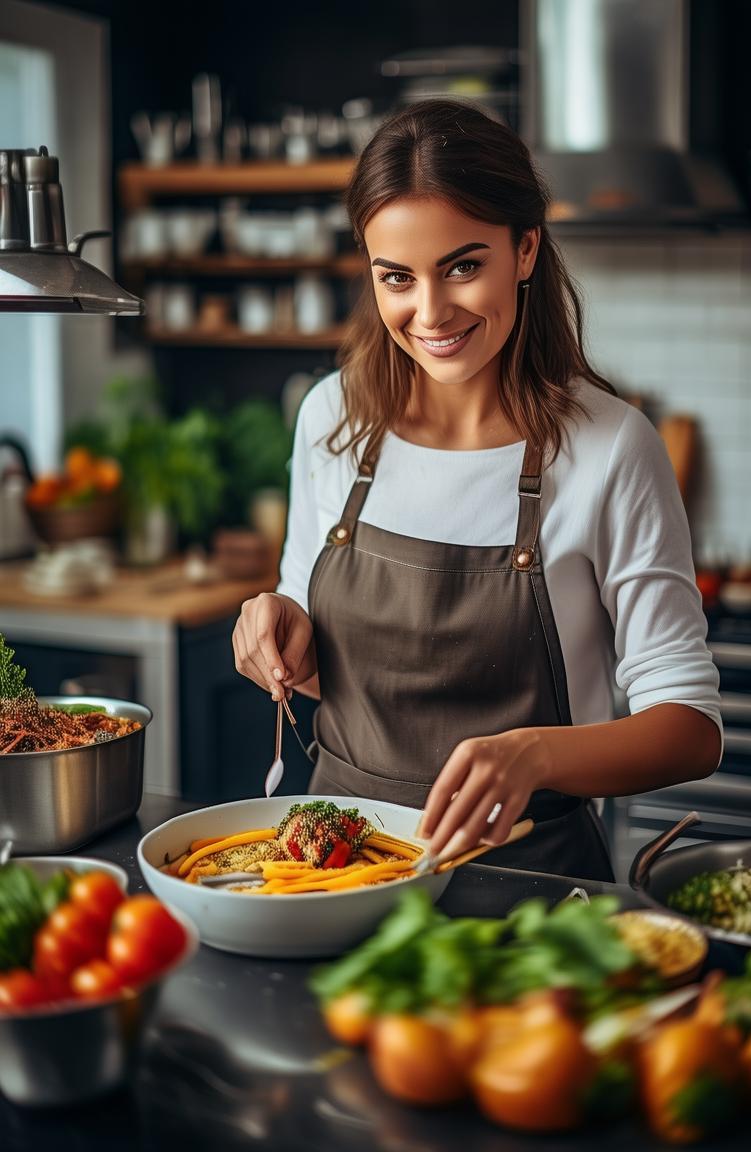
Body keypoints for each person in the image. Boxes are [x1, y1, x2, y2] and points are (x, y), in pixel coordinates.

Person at [233, 99, 722, 880]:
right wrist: (273, 631)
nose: (430, 314)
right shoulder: (332, 416)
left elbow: (691, 728)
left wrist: (535, 755)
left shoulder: (611, 448)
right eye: (397, 277)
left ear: (525, 249)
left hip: (530, 896)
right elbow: (318, 652)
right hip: (331, 883)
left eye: (463, 266)